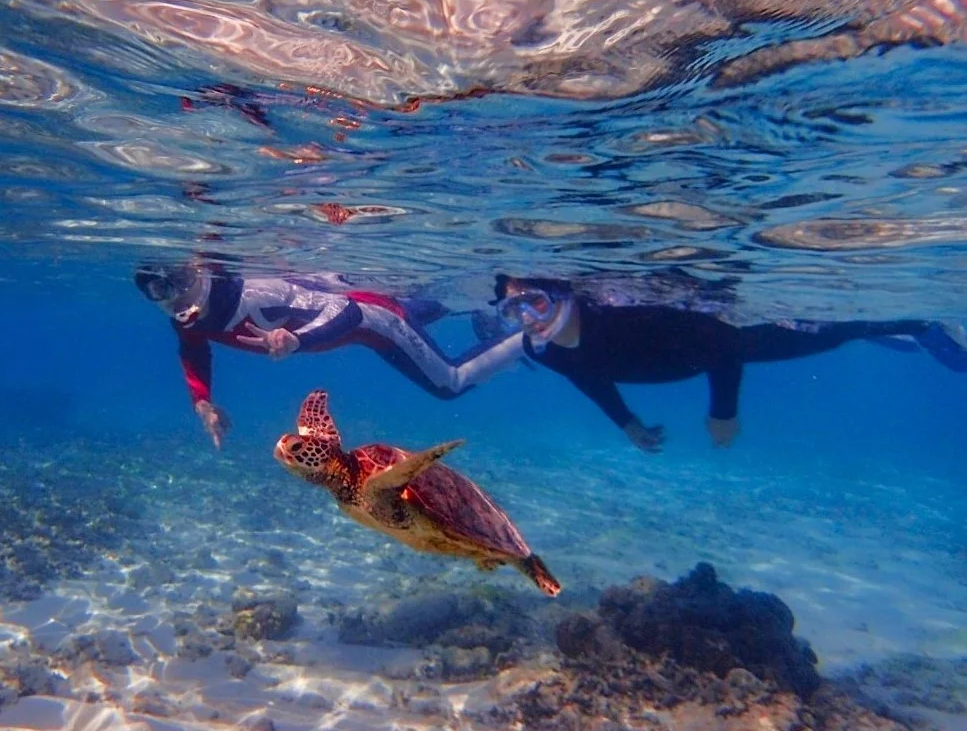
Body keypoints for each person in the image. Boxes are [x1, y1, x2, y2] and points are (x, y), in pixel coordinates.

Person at [492, 273, 967, 453]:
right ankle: (887, 333)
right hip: (698, 354)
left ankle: (923, 325)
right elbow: (589, 379)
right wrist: (627, 423)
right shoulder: (547, 352)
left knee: (834, 332)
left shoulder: (625, 317)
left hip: (744, 336)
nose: (527, 319)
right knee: (834, 335)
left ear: (564, 294)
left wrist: (723, 413)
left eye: (534, 302)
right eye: (513, 311)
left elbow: (723, 342)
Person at [135, 261, 524, 448]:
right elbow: (193, 349)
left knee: (450, 384)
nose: (175, 295)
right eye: (157, 289)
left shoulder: (256, 294)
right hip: (371, 315)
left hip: (375, 320)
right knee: (432, 306)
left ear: (200, 272)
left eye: (181, 280)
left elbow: (347, 311)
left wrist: (297, 340)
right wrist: (203, 403)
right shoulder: (187, 320)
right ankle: (488, 299)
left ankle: (538, 331)